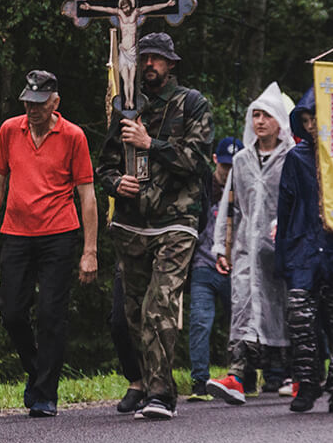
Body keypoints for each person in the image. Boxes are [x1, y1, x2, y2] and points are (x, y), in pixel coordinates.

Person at [96, 32, 213, 420]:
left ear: (171, 64)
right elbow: (104, 167)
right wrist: (116, 183)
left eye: (157, 59)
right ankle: (149, 385)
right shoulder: (127, 108)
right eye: (143, 57)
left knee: (158, 306)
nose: (149, 64)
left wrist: (150, 144)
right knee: (131, 315)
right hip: (132, 225)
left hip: (177, 221)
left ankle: (161, 394)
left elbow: (198, 162)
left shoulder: (192, 104)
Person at [0, 70, 98, 417]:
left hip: (58, 233)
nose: (32, 108)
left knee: (52, 315)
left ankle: (45, 394)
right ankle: (37, 369)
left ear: (55, 103)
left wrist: (89, 251)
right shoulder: (10, 130)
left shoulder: (73, 136)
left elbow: (87, 196)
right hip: (16, 232)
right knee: (11, 312)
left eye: (39, 103)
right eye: (27, 101)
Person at [276, 88, 333, 413]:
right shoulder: (295, 158)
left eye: (316, 118)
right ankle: (307, 382)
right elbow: (284, 209)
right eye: (306, 120)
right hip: (303, 247)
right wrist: (282, 259)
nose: (312, 125)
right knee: (300, 319)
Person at [207, 84, 294, 404]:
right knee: (243, 307)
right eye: (255, 115)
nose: (260, 121)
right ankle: (238, 375)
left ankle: (288, 372)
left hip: (279, 250)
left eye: (267, 116)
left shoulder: (291, 158)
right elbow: (229, 207)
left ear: (279, 121)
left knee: (281, 308)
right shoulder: (242, 160)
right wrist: (221, 247)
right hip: (245, 247)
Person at [187, 137, 241, 401]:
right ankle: (200, 380)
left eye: (235, 166)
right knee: (200, 322)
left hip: (236, 267)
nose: (230, 171)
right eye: (226, 166)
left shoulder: (246, 186)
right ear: (215, 160)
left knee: (239, 325)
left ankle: (243, 376)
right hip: (204, 265)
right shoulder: (203, 186)